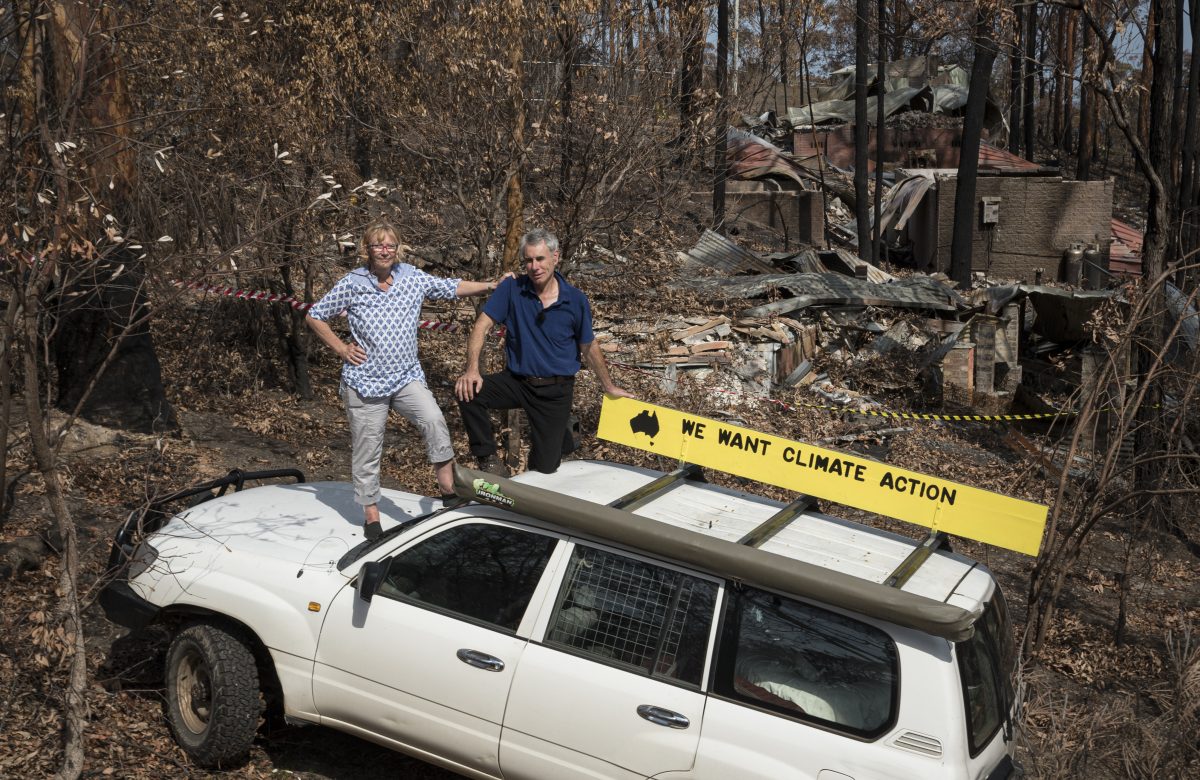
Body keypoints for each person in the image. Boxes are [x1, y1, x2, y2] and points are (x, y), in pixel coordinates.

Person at [307, 219, 508, 540]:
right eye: (377, 245)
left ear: (397, 248)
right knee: (368, 447)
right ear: (367, 250)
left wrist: (490, 285)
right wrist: (342, 348)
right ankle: (371, 512)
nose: (384, 250)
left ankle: (447, 488)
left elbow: (450, 287)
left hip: (405, 378)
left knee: (434, 421)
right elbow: (315, 315)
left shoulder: (411, 277)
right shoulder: (352, 283)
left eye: (390, 245)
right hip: (365, 382)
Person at [455, 227, 633, 476]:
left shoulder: (575, 300)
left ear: (555, 257)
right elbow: (481, 325)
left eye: (540, 259)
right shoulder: (512, 289)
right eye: (528, 260)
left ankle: (554, 443)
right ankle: (489, 461)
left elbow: (588, 346)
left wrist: (609, 386)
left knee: (545, 469)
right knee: (469, 392)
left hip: (556, 391)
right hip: (518, 381)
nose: (534, 266)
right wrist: (472, 369)